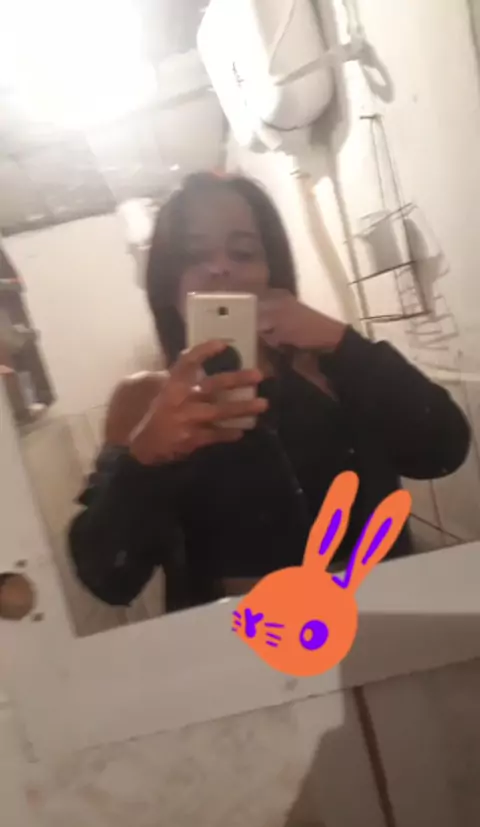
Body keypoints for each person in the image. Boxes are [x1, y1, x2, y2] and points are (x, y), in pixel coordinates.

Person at [68, 172, 471, 612]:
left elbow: (443, 452)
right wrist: (144, 459)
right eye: (193, 255)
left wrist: (345, 344)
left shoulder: (330, 365)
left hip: (380, 623)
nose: (220, 267)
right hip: (235, 642)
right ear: (169, 286)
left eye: (243, 252)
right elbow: (109, 579)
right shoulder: (145, 400)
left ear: (271, 272)